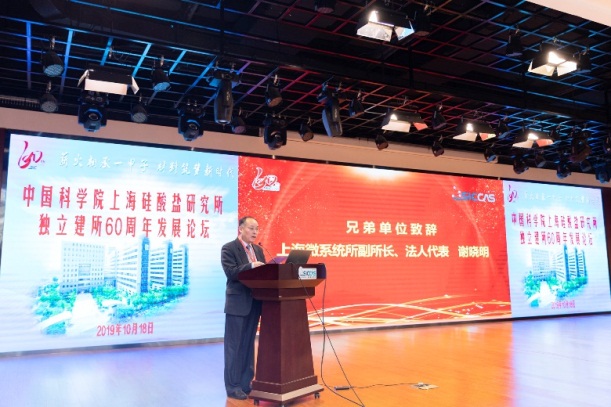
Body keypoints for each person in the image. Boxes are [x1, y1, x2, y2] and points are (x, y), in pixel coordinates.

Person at [220, 216, 266, 400]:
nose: (255, 232)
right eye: (251, 228)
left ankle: (246, 383)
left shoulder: (259, 250)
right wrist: (251, 266)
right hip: (238, 304)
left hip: (255, 303)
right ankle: (233, 386)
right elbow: (231, 272)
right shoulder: (229, 248)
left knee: (248, 344)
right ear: (240, 229)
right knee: (234, 346)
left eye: (257, 228)